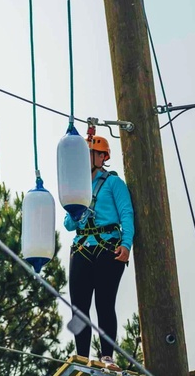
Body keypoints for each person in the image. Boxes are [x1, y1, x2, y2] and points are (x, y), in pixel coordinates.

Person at [63, 135, 134, 369]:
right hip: (82, 248)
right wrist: (76, 213)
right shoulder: (77, 187)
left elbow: (126, 214)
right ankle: (82, 355)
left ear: (102, 157)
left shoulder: (114, 183)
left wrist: (126, 244)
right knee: (79, 308)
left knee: (104, 303)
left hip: (108, 247)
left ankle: (107, 356)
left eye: (91, 153)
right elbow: (68, 224)